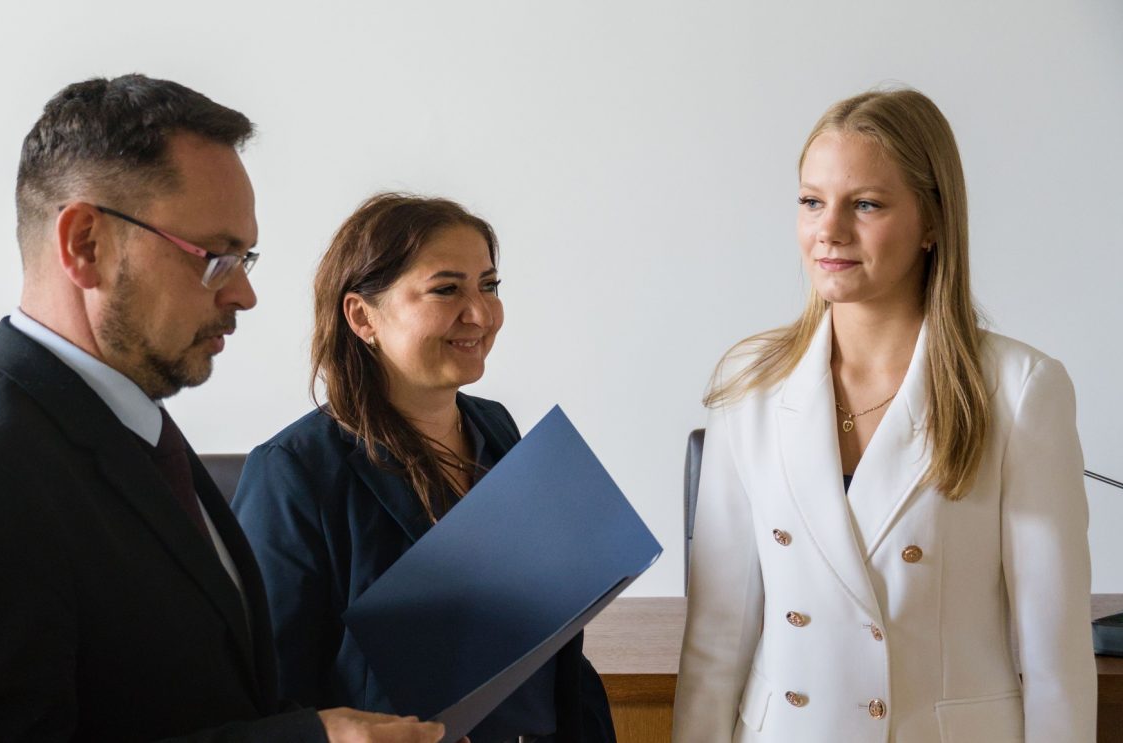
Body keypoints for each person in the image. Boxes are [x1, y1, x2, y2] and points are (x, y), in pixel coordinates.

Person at [0, 74, 446, 743]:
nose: (244, 293)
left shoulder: (131, 426)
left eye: (244, 256)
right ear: (86, 244)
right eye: (216, 257)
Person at [672, 88, 1095, 742]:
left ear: (932, 222)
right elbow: (715, 642)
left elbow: (1054, 659)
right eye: (812, 201)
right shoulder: (749, 384)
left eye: (865, 204)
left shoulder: (1019, 389)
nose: (829, 231)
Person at [231, 193, 617, 743]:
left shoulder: (496, 429)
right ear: (363, 316)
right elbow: (274, 695)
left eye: (489, 285)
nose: (480, 313)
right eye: (446, 289)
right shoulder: (293, 471)